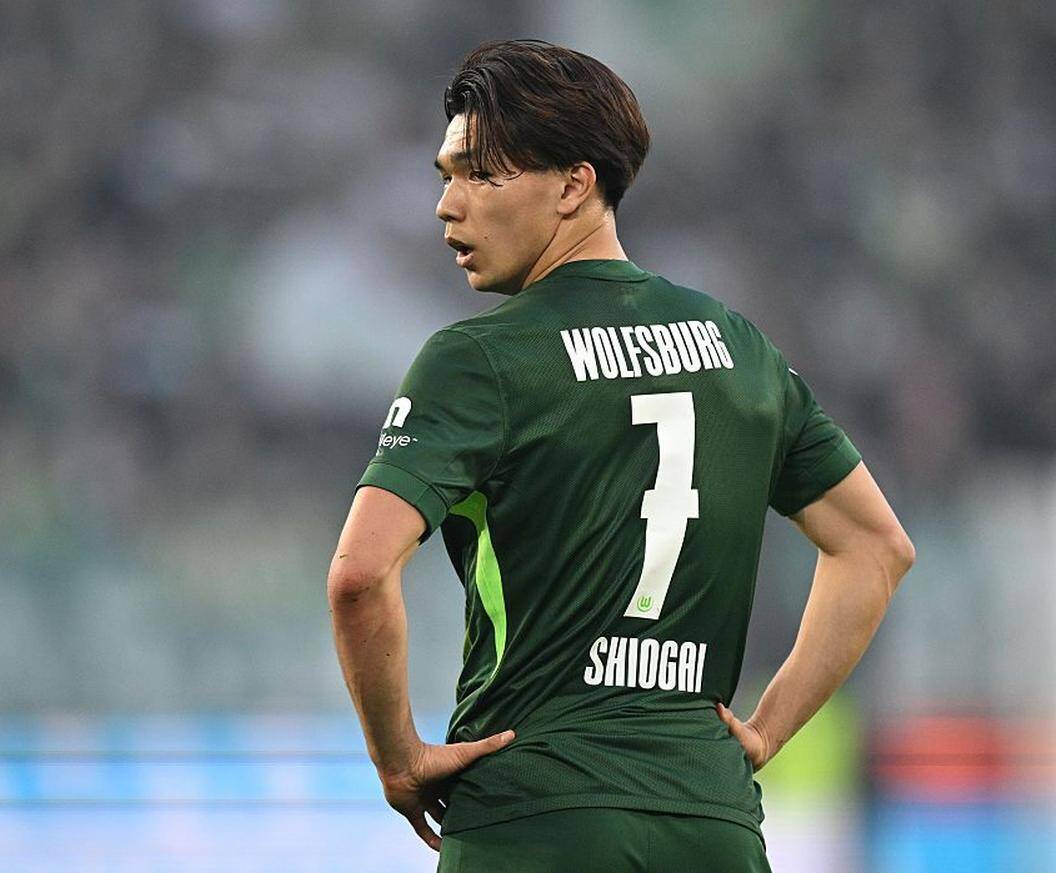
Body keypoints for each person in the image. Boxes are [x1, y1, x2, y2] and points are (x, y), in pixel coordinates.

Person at [327, 39, 915, 872]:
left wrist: (398, 759)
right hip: (711, 819)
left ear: (574, 185)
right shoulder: (738, 346)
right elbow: (877, 546)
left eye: (480, 176)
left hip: (536, 814)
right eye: (445, 176)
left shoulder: (479, 360)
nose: (446, 206)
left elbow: (358, 575)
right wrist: (767, 729)